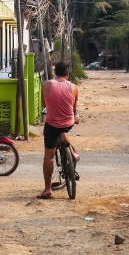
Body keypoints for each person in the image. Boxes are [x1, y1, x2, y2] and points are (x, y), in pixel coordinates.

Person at [38, 61, 80, 199]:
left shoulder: (46, 84)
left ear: (55, 73)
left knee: (48, 157)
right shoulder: (74, 87)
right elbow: (74, 109)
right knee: (63, 130)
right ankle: (73, 153)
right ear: (67, 73)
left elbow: (44, 103)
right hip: (69, 123)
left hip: (52, 124)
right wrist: (75, 118)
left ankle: (47, 189)